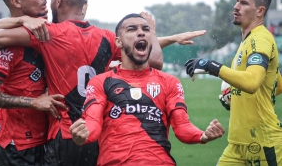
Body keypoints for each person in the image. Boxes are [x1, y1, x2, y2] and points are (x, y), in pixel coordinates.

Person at [0, 0, 208, 166]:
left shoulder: (50, 33)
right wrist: (153, 34)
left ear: (59, 0)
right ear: (85, 4)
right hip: (96, 133)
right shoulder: (107, 37)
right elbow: (151, 59)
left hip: (65, 133)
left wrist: (20, 22)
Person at [69, 13, 225, 165]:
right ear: (119, 42)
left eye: (145, 29)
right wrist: (84, 133)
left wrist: (202, 135)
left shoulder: (170, 82)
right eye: (132, 29)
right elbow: (93, 122)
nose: (141, 33)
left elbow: (182, 126)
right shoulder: (100, 82)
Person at [185, 0, 282, 165]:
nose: (236, 7)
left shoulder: (260, 39)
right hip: (237, 144)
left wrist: (211, 66)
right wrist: (235, 95)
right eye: (237, 1)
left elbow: (252, 82)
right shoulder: (247, 40)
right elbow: (276, 86)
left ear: (260, 11)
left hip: (262, 143)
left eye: (244, 3)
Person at [0, 0, 66, 166]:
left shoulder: (48, 31)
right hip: (17, 146)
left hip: (45, 138)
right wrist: (34, 102)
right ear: (16, 1)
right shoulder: (10, 44)